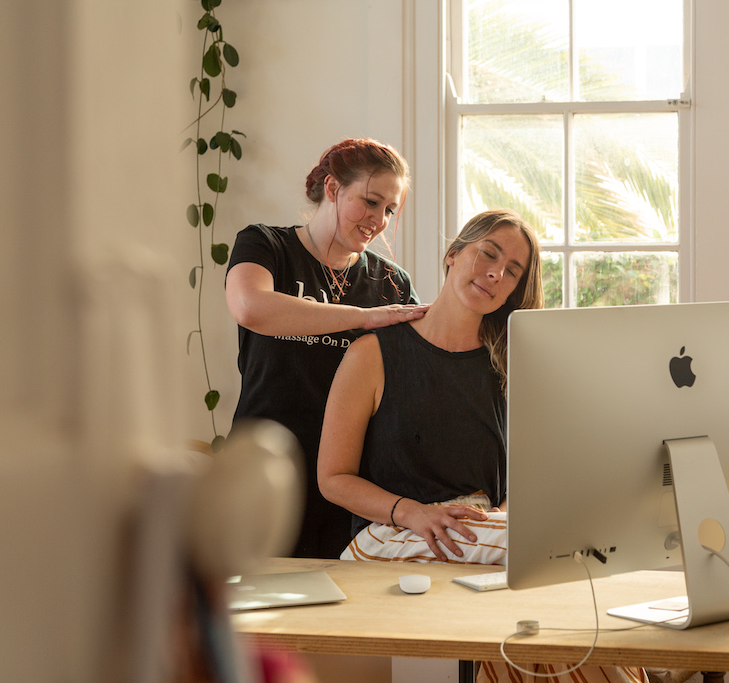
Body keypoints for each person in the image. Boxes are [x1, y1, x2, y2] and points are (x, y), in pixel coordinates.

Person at [317, 209, 648, 683]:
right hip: (391, 535)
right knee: (558, 559)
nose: (496, 273)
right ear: (453, 255)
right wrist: (413, 512)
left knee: (560, 570)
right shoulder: (372, 354)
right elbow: (333, 478)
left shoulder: (509, 366)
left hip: (481, 529)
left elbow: (524, 480)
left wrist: (509, 515)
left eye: (512, 271)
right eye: (488, 254)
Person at [225, 138, 429, 559]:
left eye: (389, 210)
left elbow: (413, 376)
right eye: (370, 202)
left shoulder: (392, 284)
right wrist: (363, 317)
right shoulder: (266, 245)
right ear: (333, 189)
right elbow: (250, 306)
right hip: (265, 475)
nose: (379, 220)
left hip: (349, 485)